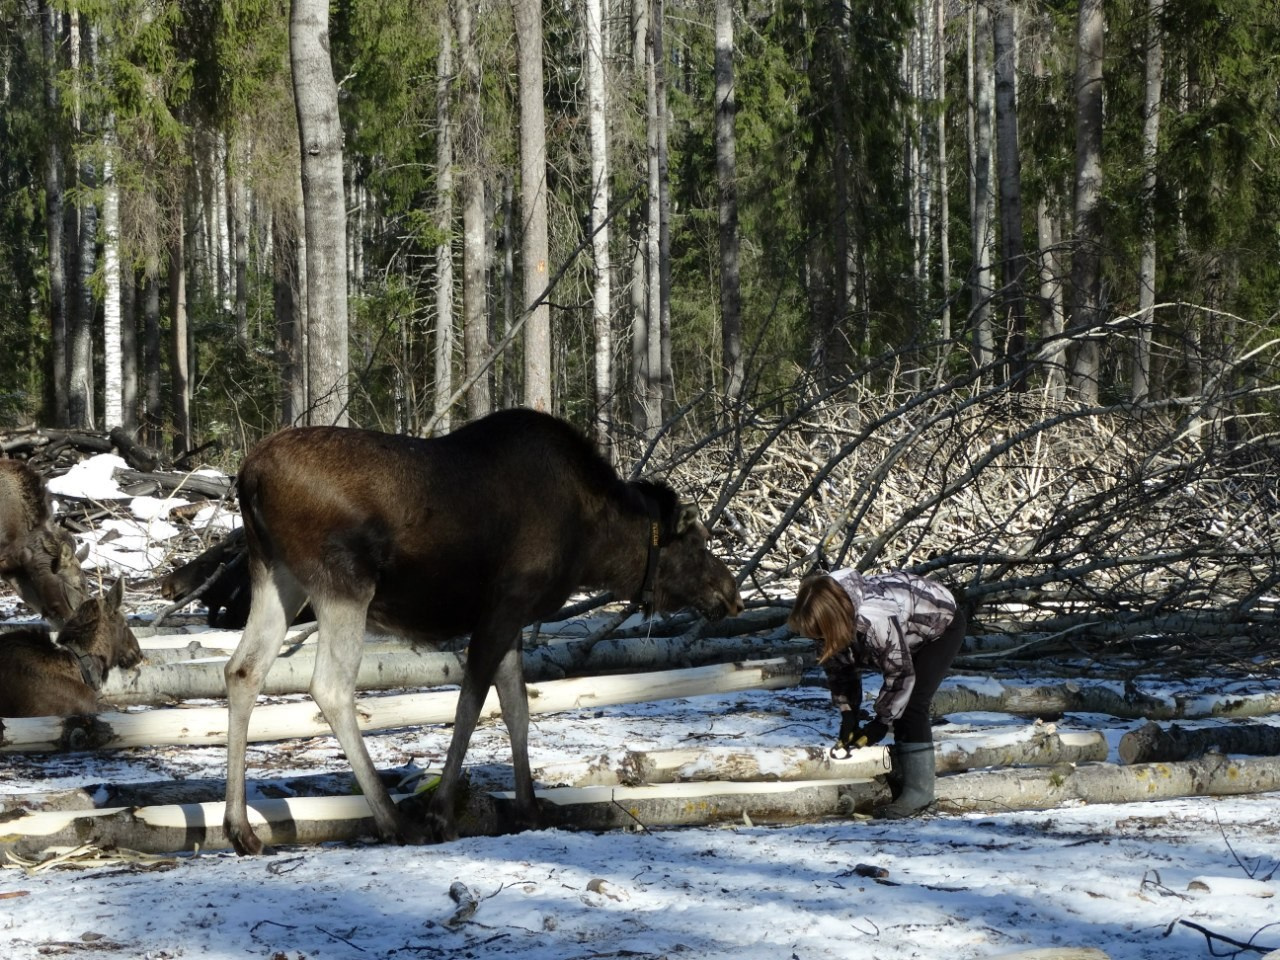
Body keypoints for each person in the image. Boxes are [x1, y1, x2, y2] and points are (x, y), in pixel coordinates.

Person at [787, 568, 967, 819]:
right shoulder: (831, 611)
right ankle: (903, 772)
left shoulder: (876, 619)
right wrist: (848, 714)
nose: (818, 640)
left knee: (913, 703)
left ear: (835, 622)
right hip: (903, 625)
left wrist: (881, 723)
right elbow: (840, 668)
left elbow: (900, 675)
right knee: (901, 705)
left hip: (940, 624)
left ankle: (920, 796)